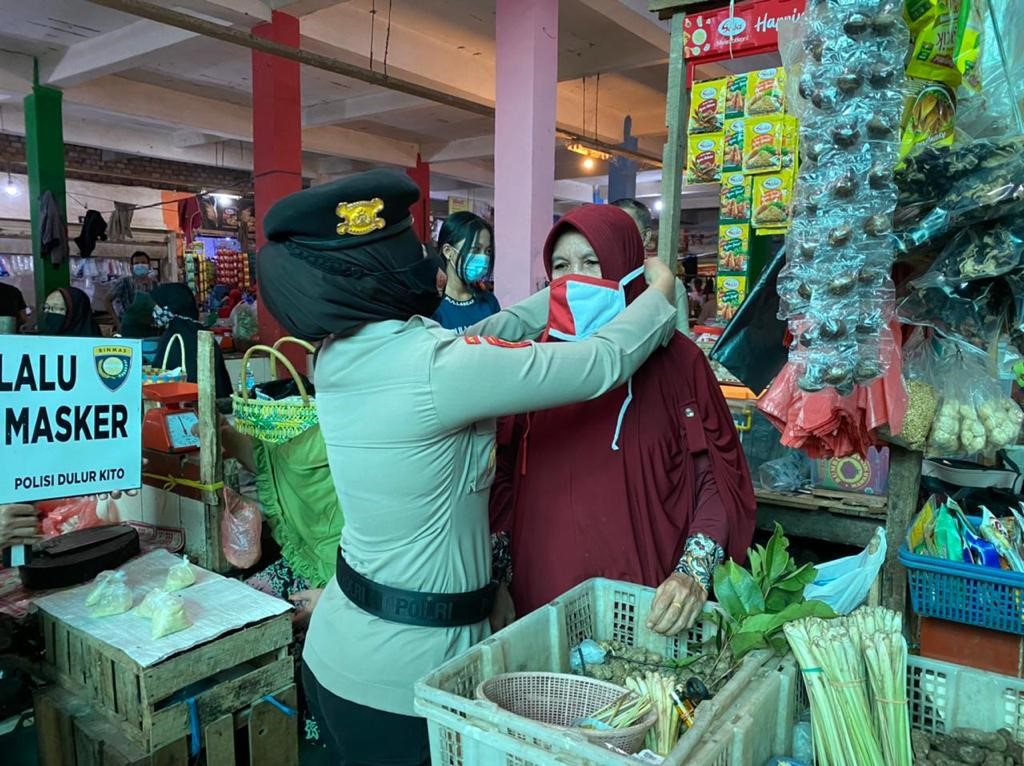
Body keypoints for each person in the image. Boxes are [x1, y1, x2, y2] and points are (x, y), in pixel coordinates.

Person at [256, 169, 677, 766]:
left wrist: (566, 293)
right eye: (413, 251)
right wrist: (658, 296)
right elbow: (599, 363)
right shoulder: (433, 370)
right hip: (402, 682)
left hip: (341, 653)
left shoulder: (342, 353)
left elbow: (478, 341)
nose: (429, 264)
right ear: (384, 273)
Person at [490, 204, 757, 634]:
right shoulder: (534, 365)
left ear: (627, 267)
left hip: (644, 604)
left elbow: (717, 477)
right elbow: (503, 475)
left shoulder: (678, 362)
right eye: (561, 266)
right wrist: (498, 579)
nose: (575, 277)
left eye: (592, 262)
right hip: (539, 601)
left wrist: (694, 571)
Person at [612, 198, 691, 335]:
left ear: (646, 237)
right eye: (610, 228)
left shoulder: (669, 284)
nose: (616, 236)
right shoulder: (595, 280)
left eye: (625, 228)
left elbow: (683, 344)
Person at [150, 283, 233, 397]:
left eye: (158, 306)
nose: (155, 311)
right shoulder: (200, 332)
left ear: (169, 306)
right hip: (214, 405)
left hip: (184, 408)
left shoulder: (174, 337)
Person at [431, 211, 500, 332]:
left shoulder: (489, 302)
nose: (483, 258)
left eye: (488, 251)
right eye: (475, 249)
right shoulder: (431, 306)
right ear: (448, 251)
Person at [111, 251, 158, 322]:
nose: (140, 265)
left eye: (143, 262)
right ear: (131, 267)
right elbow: (107, 300)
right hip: (128, 325)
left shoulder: (155, 285)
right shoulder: (124, 282)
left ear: (149, 266)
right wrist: (117, 323)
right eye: (136, 263)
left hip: (149, 327)